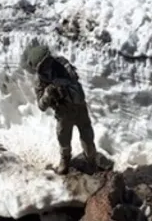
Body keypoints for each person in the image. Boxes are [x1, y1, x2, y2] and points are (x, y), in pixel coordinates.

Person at [23, 45, 98, 175]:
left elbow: (73, 77)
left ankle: (91, 161)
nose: (48, 64)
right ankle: (65, 161)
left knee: (87, 136)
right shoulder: (41, 81)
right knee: (63, 139)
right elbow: (41, 106)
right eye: (44, 64)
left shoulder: (61, 64)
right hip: (63, 112)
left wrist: (64, 82)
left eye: (48, 60)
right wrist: (48, 93)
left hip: (78, 106)